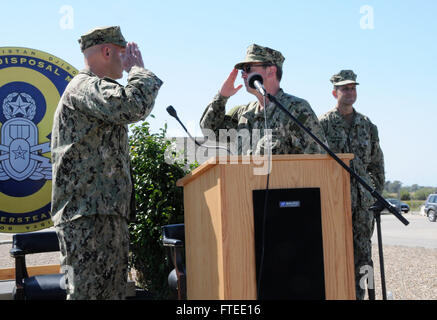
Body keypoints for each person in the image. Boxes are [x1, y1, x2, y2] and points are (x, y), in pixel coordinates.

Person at [51, 26, 163, 300]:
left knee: (111, 294)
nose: (127, 62)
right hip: (86, 217)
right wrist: (139, 72)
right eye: (124, 55)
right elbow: (133, 104)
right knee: (87, 295)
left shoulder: (96, 90)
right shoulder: (84, 87)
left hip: (102, 213)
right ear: (107, 51)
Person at [319, 70, 385, 300]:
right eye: (345, 88)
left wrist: (375, 194)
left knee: (365, 255)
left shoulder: (367, 124)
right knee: (337, 252)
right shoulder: (323, 124)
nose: (350, 92)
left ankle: (367, 295)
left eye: (353, 88)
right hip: (335, 201)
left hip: (363, 205)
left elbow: (377, 163)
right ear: (334, 92)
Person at [200, 44, 326, 156]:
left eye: (248, 68)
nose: (243, 74)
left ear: (271, 71)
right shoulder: (243, 114)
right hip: (244, 181)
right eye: (242, 70)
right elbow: (210, 132)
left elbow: (317, 156)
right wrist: (222, 97)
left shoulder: (296, 109)